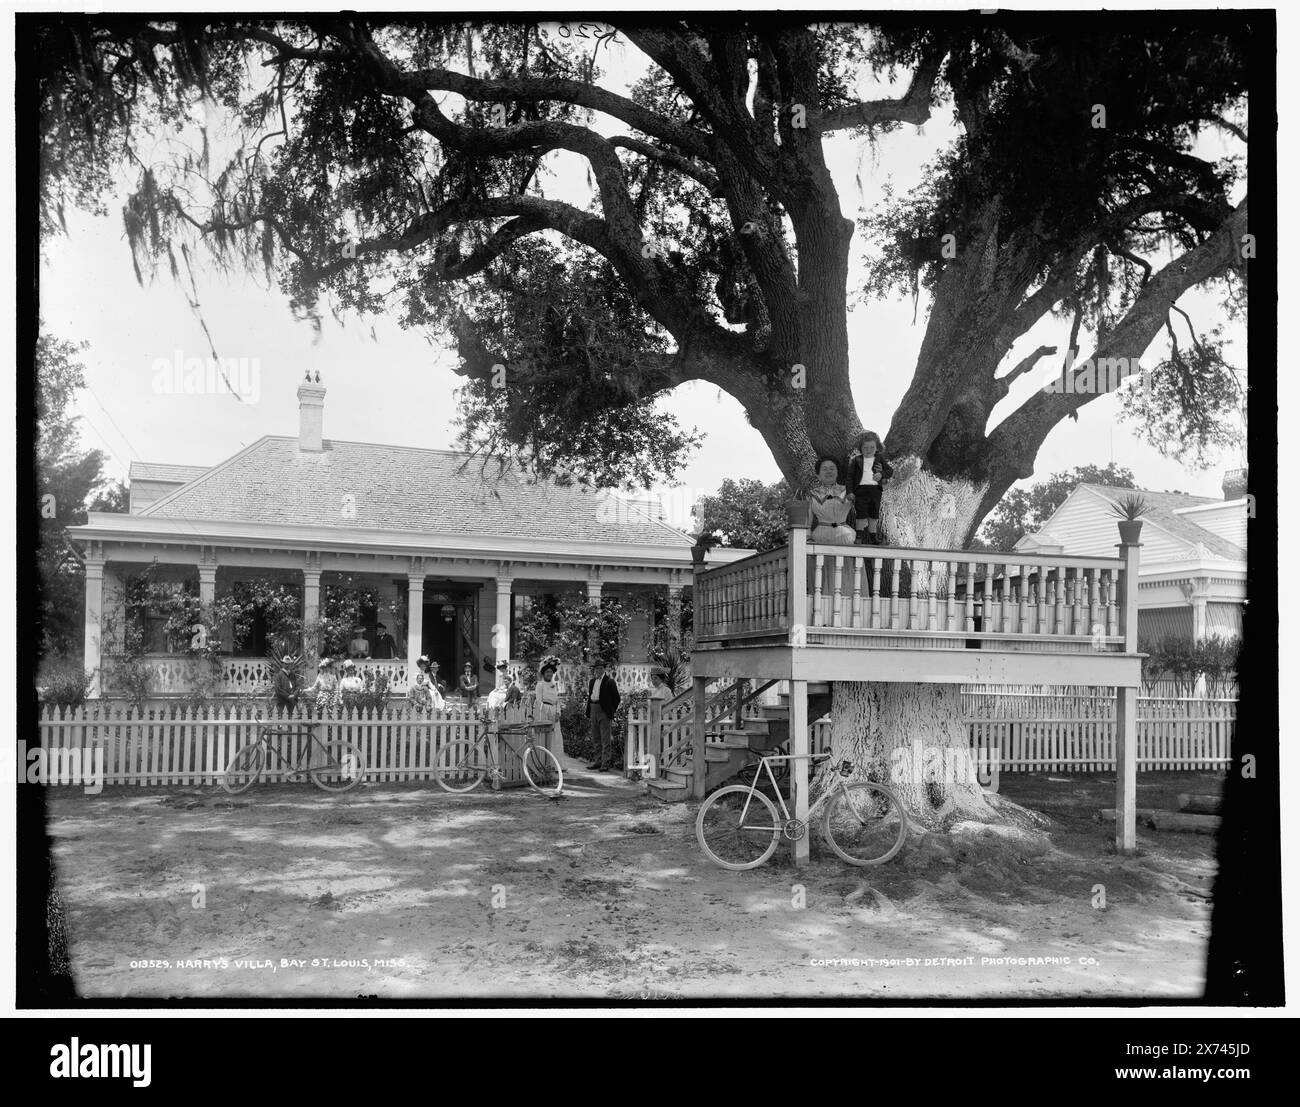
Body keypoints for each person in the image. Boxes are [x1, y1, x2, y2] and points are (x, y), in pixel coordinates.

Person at [847, 431, 894, 545]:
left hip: (875, 490)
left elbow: (890, 471)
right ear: (860, 448)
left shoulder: (879, 459)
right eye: (865, 447)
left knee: (874, 513)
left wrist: (881, 474)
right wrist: (850, 491)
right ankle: (859, 535)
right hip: (861, 490)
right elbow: (850, 477)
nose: (868, 450)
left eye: (872, 447)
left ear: (877, 448)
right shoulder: (856, 460)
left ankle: (873, 536)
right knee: (861, 513)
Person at [808, 455, 857, 545]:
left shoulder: (848, 491)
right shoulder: (812, 494)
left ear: (837, 472)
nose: (828, 471)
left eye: (832, 468)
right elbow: (808, 520)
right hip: (820, 537)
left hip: (845, 537)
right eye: (824, 469)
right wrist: (808, 536)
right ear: (818, 475)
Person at [585, 660, 621, 772]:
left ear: (604, 669)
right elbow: (590, 696)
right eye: (597, 668)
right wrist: (589, 710)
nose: (599, 670)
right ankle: (598, 761)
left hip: (603, 711)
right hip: (593, 708)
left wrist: (610, 710)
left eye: (601, 668)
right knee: (596, 738)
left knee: (605, 738)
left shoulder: (610, 681)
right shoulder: (592, 681)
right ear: (594, 670)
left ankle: (605, 763)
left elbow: (617, 699)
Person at [533, 658, 565, 759]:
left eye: (551, 672)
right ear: (543, 673)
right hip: (544, 711)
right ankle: (545, 761)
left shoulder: (554, 685)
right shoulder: (540, 685)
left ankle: (557, 763)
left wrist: (558, 713)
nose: (549, 674)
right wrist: (544, 714)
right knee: (545, 736)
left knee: (556, 737)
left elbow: (557, 700)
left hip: (554, 710)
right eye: (547, 672)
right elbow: (539, 701)